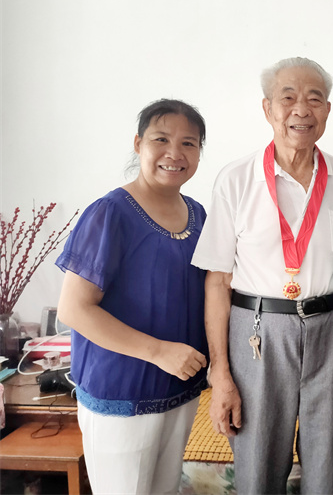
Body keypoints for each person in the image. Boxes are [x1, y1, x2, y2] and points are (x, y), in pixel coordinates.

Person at [191, 57, 333, 494]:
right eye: (288, 98)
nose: (301, 109)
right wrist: (220, 372)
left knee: (329, 463)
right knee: (258, 461)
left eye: (314, 99)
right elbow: (217, 281)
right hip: (259, 333)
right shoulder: (236, 179)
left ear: (328, 110)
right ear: (267, 108)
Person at [55, 99, 209, 495]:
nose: (175, 153)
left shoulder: (198, 216)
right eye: (161, 139)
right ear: (138, 144)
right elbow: (74, 308)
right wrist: (159, 352)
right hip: (121, 394)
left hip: (179, 388)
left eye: (189, 143)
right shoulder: (110, 213)